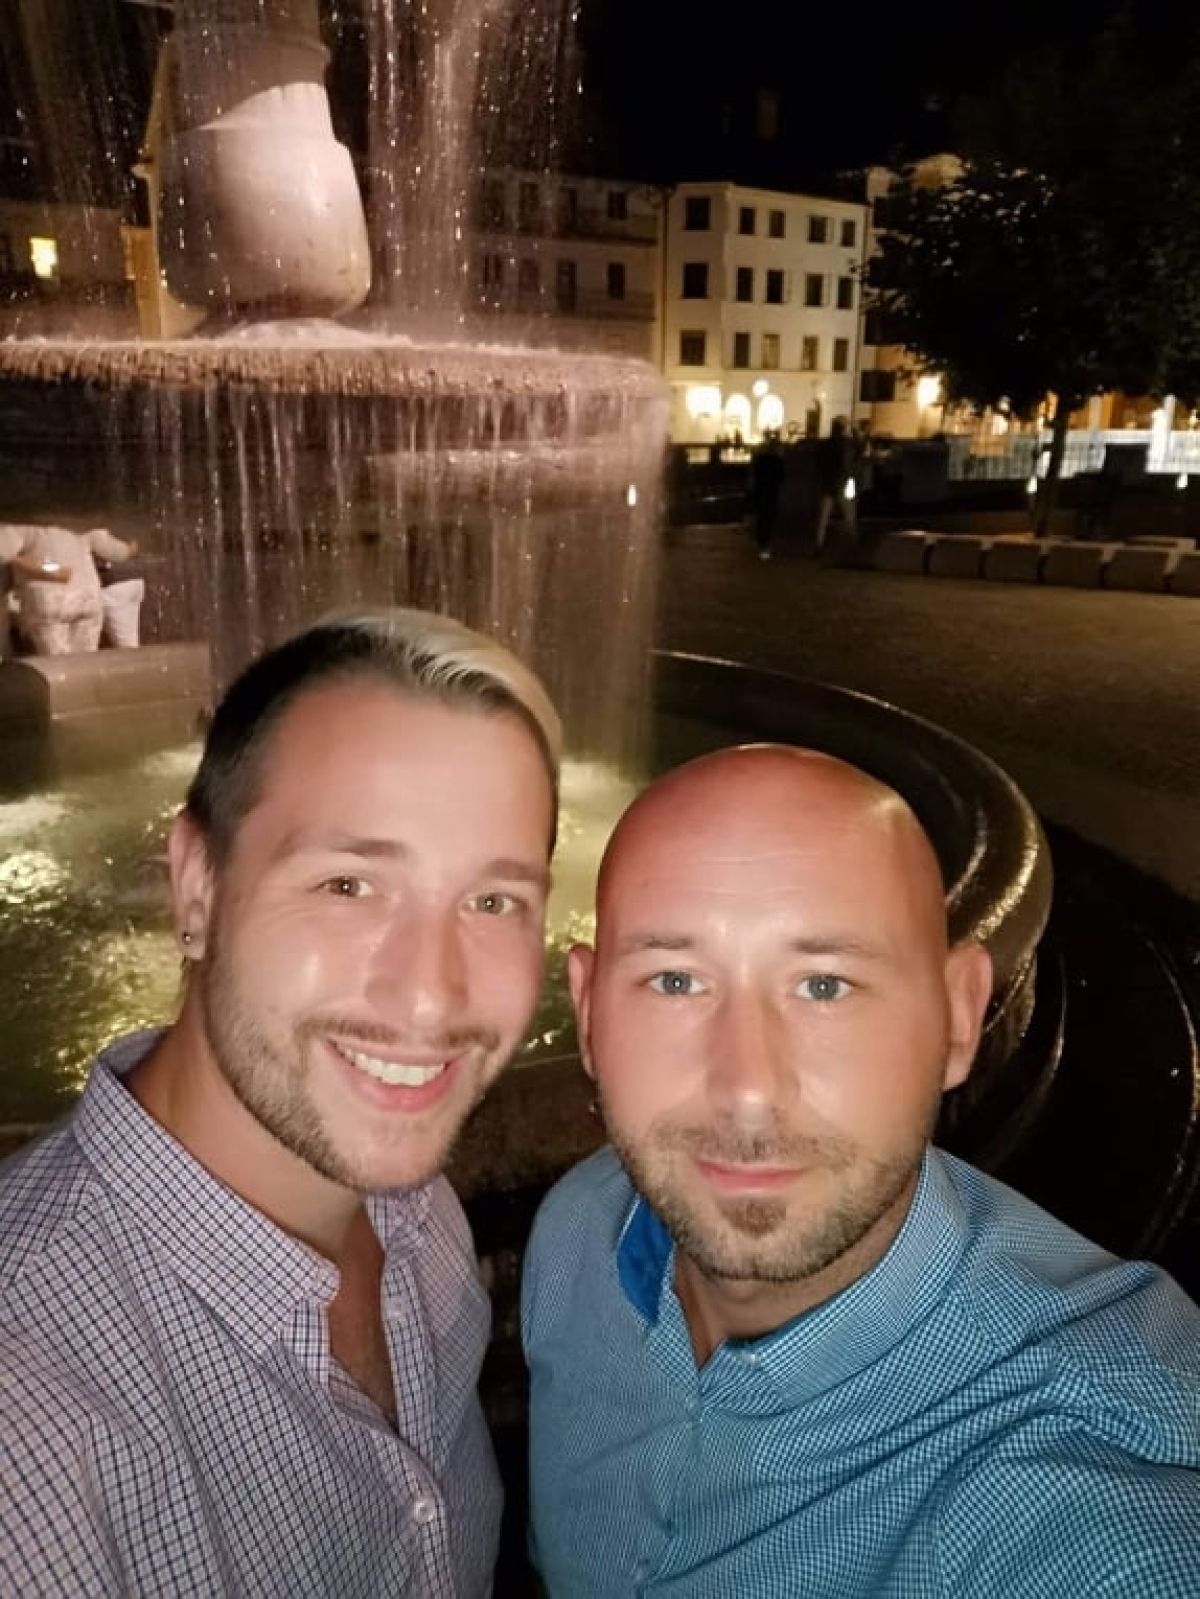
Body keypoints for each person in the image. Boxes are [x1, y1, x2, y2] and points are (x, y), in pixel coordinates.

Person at [522, 745, 1200, 1598]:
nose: (748, 1090)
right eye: (676, 979)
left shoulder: (1085, 1490)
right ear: (588, 1012)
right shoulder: (578, 1230)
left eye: (825, 986)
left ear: (958, 1018)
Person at [0, 607, 561, 1597]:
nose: (431, 998)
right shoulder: (32, 1422)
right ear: (196, 886)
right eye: (349, 884)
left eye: (493, 901)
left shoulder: (418, 1216)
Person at [3, 522, 139, 655]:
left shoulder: (23, 523)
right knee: (85, 660)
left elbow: (4, 554)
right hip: (88, 595)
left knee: (58, 662)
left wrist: (52, 569)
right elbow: (118, 553)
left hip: (50, 599)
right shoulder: (80, 521)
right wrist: (131, 547)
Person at [812, 415, 859, 557]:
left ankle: (818, 546)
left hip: (827, 483)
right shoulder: (847, 444)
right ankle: (851, 547)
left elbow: (819, 464)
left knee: (822, 518)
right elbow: (849, 462)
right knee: (849, 517)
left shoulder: (825, 444)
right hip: (843, 482)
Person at [749, 432, 786, 560]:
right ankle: (766, 546)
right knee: (769, 519)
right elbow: (781, 478)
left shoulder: (760, 460)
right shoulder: (778, 461)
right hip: (772, 493)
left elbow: (754, 474)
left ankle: (761, 543)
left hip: (760, 492)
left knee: (761, 519)